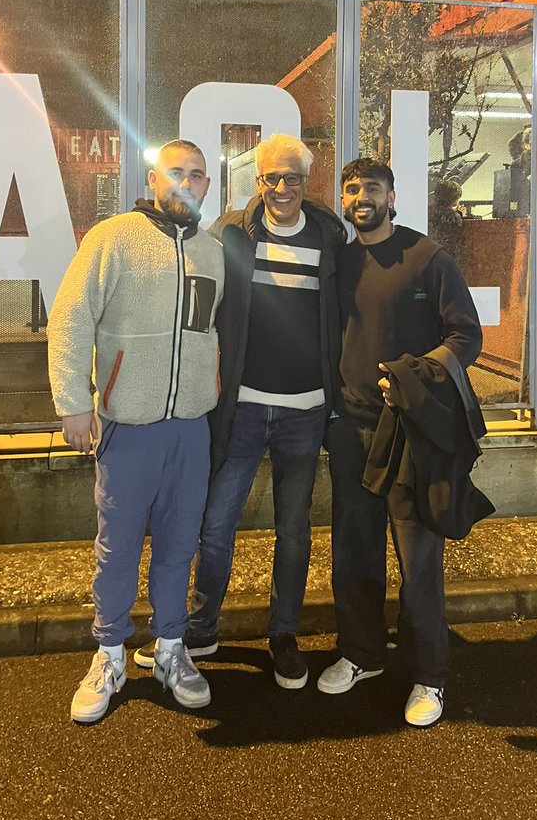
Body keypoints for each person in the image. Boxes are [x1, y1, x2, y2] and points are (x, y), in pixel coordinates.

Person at [135, 133, 345, 689]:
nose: (281, 188)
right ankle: (201, 629)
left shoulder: (328, 237)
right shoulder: (230, 233)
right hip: (244, 409)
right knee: (216, 526)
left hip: (306, 411)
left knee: (293, 531)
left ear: (306, 182)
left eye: (292, 179)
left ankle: (284, 636)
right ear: (258, 182)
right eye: (271, 178)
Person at [48, 140, 224, 724]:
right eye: (177, 173)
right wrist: (75, 401)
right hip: (130, 426)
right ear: (154, 178)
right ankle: (109, 653)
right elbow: (71, 315)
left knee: (180, 546)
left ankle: (171, 648)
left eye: (197, 176)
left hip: (191, 428)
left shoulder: (211, 250)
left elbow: (211, 331)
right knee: (117, 546)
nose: (187, 183)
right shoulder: (112, 238)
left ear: (207, 184)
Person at [319, 157, 493, 726]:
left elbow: (466, 336)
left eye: (372, 187)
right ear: (344, 201)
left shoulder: (428, 258)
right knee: (353, 549)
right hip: (350, 428)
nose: (361, 196)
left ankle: (429, 676)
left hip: (409, 436)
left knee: (418, 559)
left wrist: (418, 375)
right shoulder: (339, 261)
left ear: (392, 197)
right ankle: (362, 654)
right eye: (352, 188)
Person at [429, 178, 465, 261]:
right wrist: (459, 214)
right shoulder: (453, 216)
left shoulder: (429, 210)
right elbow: (458, 235)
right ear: (453, 200)